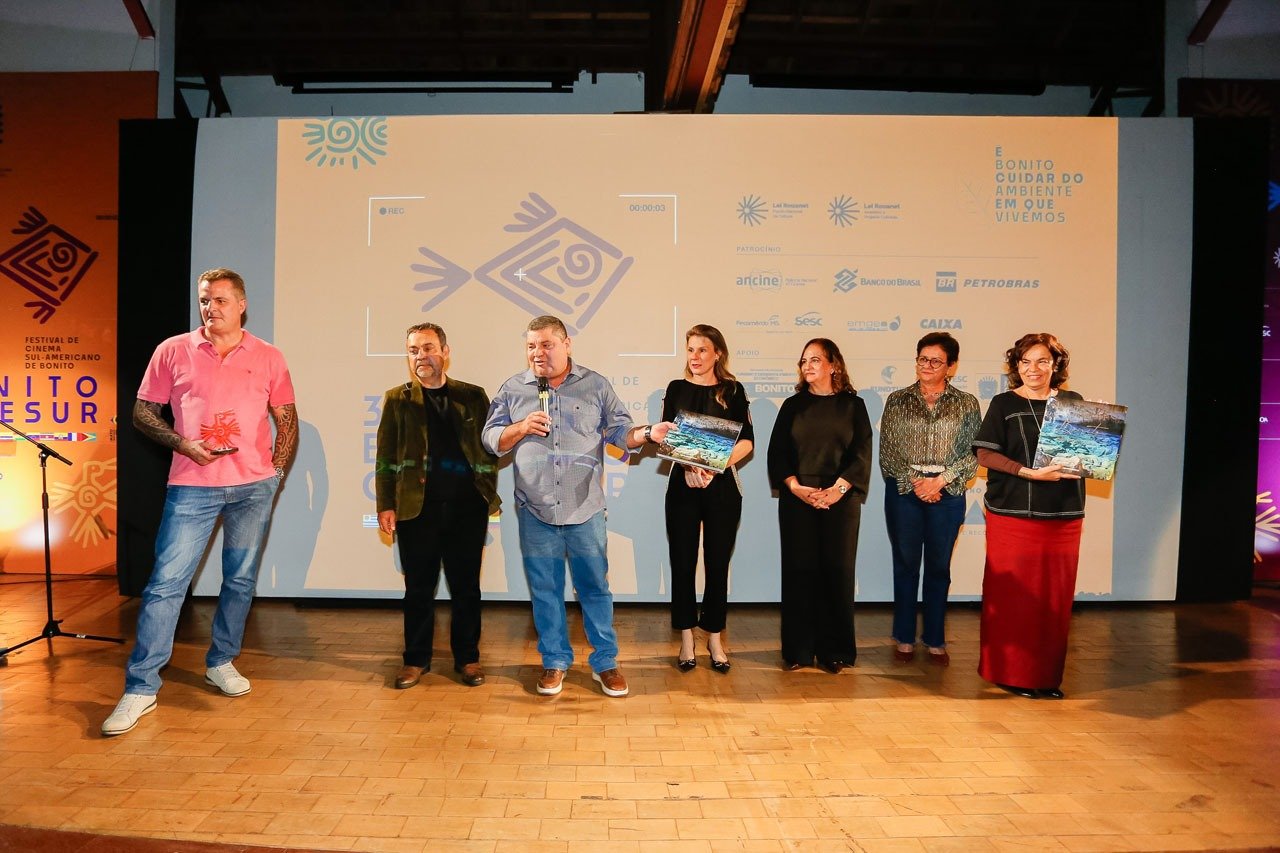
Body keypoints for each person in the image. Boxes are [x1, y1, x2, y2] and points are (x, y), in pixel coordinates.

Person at [102, 268, 297, 736]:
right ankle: (141, 687)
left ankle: (222, 661)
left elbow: (287, 418)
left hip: (253, 489)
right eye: (205, 300)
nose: (211, 308)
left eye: (221, 300)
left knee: (240, 581)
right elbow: (143, 412)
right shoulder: (173, 350)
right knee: (165, 585)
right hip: (192, 486)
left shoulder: (269, 355)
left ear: (242, 305)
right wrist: (183, 444)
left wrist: (276, 475)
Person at [482, 316, 673, 697]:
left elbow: (621, 432)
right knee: (545, 590)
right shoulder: (513, 388)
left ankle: (605, 662)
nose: (538, 353)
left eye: (546, 345)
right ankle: (554, 662)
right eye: (531, 346)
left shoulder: (595, 385)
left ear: (566, 344)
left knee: (594, 589)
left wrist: (649, 433)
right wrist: (520, 427)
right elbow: (490, 439)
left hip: (584, 509)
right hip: (535, 510)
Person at [375, 322, 499, 690]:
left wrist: (484, 489)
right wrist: (386, 504)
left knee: (466, 589)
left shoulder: (472, 396)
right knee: (418, 590)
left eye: (428, 348)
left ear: (445, 352)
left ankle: (468, 659)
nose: (421, 356)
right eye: (413, 350)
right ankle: (415, 660)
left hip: (467, 509)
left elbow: (490, 448)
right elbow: (385, 457)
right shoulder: (397, 399)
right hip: (416, 510)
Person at [972, 332, 1084, 700]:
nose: (1033, 369)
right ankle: (1009, 674)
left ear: (1055, 365)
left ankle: (1045, 676)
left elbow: (1087, 457)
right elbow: (985, 454)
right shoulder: (1004, 403)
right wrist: (1028, 473)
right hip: (1013, 515)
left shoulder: (1073, 402)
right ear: (1016, 366)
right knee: (1013, 600)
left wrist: (1095, 449)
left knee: (1053, 602)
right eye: (1025, 362)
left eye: (1041, 361)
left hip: (1064, 517)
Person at [767, 338, 873, 673]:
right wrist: (795, 487)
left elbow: (862, 453)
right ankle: (798, 651)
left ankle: (835, 651)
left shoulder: (854, 406)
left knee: (837, 573)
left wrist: (838, 489)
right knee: (799, 572)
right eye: (804, 361)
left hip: (841, 500)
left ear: (833, 365)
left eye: (815, 359)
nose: (807, 366)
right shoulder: (792, 406)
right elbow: (777, 453)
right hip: (798, 499)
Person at [879, 332, 980, 667]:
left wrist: (940, 481)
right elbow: (888, 453)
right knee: (906, 565)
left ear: (951, 366)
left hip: (947, 494)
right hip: (904, 493)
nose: (927, 365)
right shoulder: (897, 400)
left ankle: (935, 639)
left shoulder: (966, 403)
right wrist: (917, 482)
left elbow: (973, 453)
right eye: (923, 359)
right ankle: (904, 637)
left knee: (938, 567)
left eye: (936, 361)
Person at [662, 324, 754, 673]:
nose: (695, 356)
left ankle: (714, 637)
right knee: (682, 562)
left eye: (702, 349)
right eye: (690, 350)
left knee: (717, 564)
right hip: (682, 485)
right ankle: (686, 638)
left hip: (723, 486)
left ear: (718, 353)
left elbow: (746, 442)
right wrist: (689, 467)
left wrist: (713, 467)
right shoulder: (676, 388)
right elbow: (666, 436)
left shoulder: (734, 390)